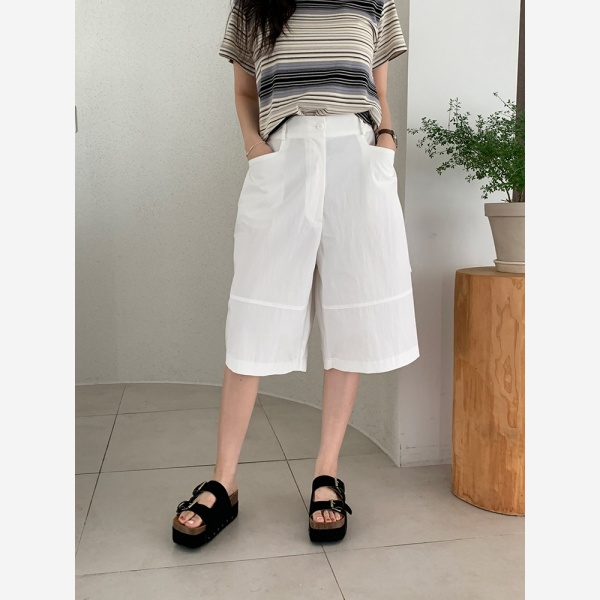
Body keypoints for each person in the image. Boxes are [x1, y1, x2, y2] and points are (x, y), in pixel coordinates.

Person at [172, 0, 419, 548]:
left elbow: (380, 87)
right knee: (253, 317)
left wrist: (386, 139)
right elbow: (244, 91)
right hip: (282, 157)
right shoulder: (252, 2)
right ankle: (223, 480)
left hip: (357, 159)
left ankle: (326, 473)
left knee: (350, 314)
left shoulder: (374, 1)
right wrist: (256, 149)